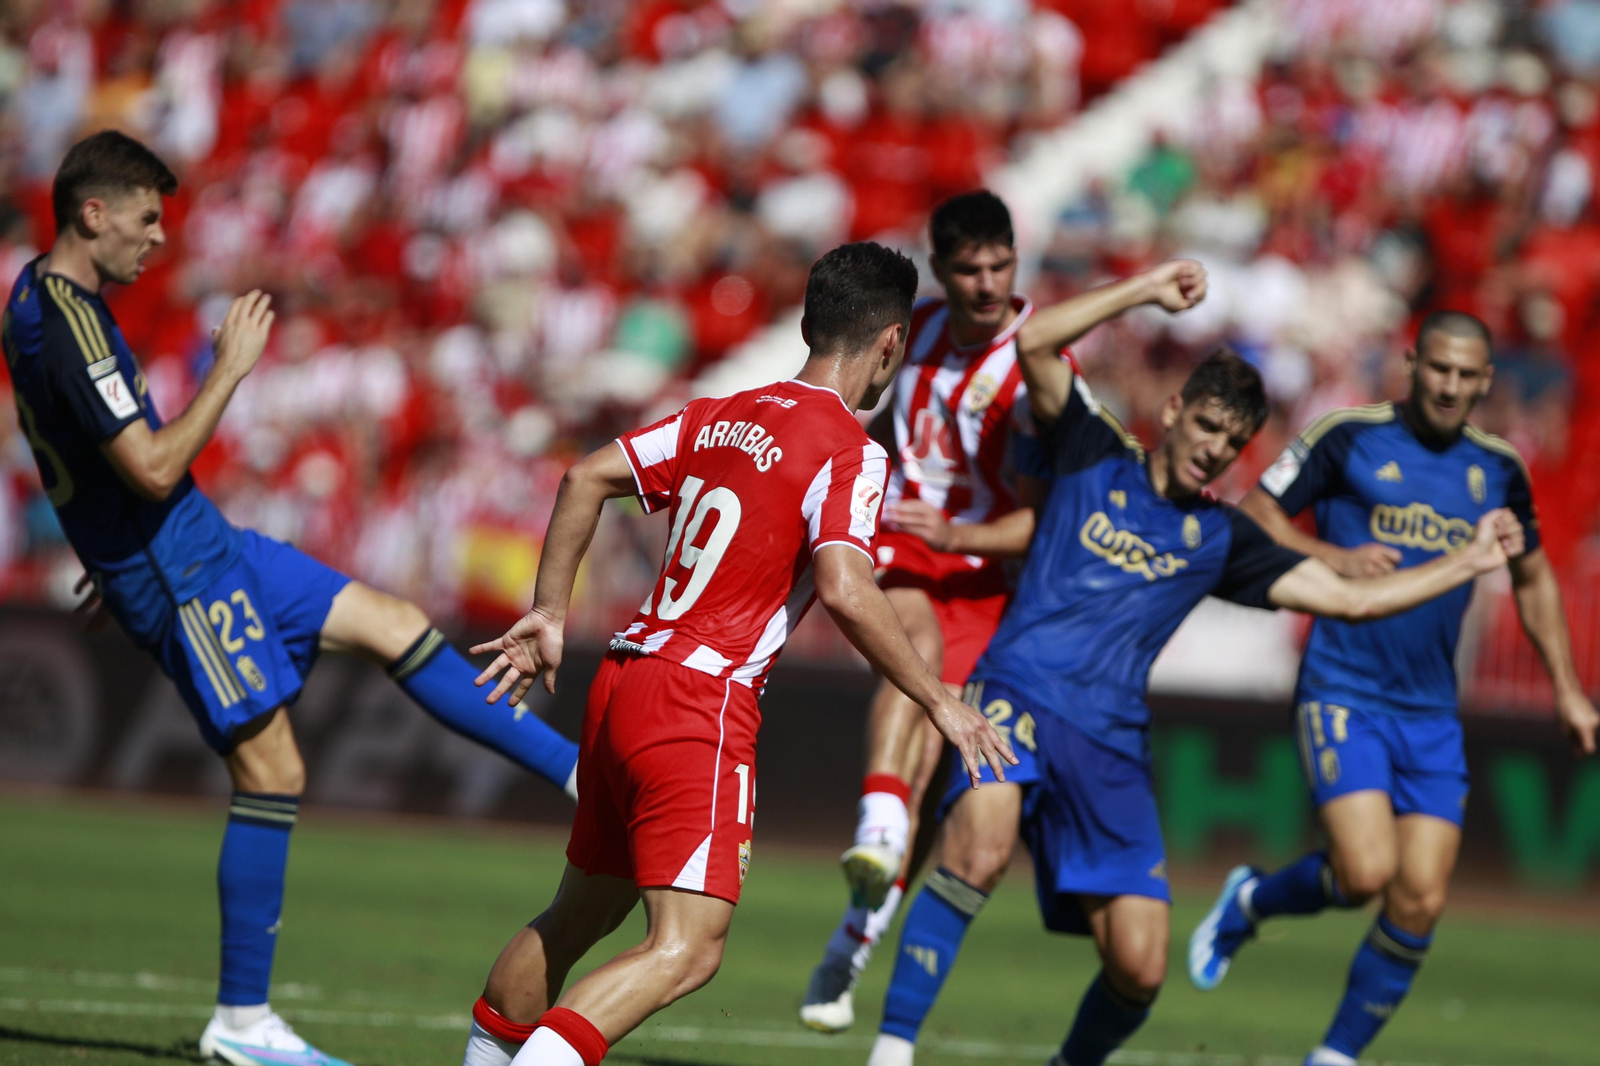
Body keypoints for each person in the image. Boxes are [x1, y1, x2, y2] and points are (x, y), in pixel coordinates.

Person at [5, 130, 581, 1066]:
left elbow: (77, 449)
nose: (159, 238)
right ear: (93, 213)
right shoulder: (66, 320)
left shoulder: (42, 298)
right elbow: (149, 466)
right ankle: (241, 1024)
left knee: (395, 624)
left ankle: (581, 778)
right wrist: (230, 369)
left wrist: (102, 544)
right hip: (177, 567)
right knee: (271, 773)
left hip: (194, 543)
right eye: (146, 219)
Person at [863, 270, 1527, 1066]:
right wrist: (1144, 288)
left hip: (1110, 743)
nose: (1214, 448)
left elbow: (1351, 601)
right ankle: (892, 1050)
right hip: (1018, 695)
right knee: (979, 847)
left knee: (1141, 967)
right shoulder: (1091, 449)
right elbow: (1033, 340)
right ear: (1175, 410)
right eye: (1207, 424)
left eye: (1232, 442)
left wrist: (1466, 563)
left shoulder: (1222, 538)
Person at [459, 241, 1016, 1066]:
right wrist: (939, 700)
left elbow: (584, 478)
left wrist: (548, 613)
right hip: (699, 701)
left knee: (581, 915)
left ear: (808, 326)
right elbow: (845, 585)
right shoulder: (851, 450)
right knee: (688, 948)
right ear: (892, 342)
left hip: (622, 680)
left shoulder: (715, 414)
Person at [803, 192, 1199, 1032]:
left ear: (1017, 260)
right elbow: (880, 424)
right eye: (968, 268)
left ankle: (854, 937)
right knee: (913, 646)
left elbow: (1050, 516)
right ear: (941, 272)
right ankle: (876, 826)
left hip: (989, 580)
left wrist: (958, 532)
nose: (986, 283)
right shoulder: (911, 334)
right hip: (907, 549)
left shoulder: (1041, 372)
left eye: (1000, 265)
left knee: (937, 775)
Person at [1187, 311, 1598, 1066]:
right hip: (1343, 686)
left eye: (1465, 375)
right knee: (1366, 872)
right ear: (1412, 364)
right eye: (1437, 368)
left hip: (1432, 709)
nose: (1448, 385)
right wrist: (1329, 556)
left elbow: (1533, 575)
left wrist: (1567, 688)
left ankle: (1335, 1056)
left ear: (1486, 381)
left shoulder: (1499, 469)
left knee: (1421, 898)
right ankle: (1252, 901)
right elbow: (1257, 513)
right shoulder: (1349, 435)